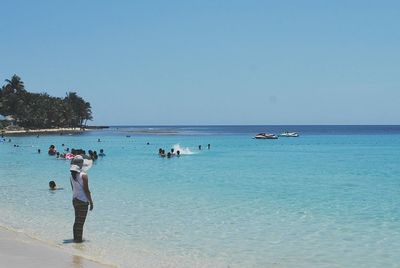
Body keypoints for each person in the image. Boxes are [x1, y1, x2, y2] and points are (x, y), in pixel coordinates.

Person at [69, 164, 93, 243]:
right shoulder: (84, 176)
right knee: (81, 222)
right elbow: (86, 190)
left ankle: (76, 238)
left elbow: (73, 189)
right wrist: (91, 202)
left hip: (75, 199)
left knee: (77, 220)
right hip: (82, 201)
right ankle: (78, 240)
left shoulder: (71, 176)